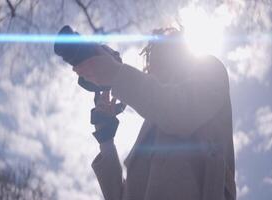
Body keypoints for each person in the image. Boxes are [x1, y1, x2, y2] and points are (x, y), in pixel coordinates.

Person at [73, 28, 236, 200]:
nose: (149, 69)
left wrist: (116, 74)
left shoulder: (208, 69)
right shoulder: (152, 125)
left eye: (158, 54)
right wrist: (106, 139)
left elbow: (179, 112)